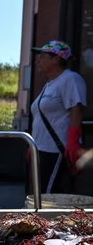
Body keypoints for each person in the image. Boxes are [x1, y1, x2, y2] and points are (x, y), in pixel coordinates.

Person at [27, 40, 87, 195]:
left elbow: (76, 109)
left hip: (56, 152)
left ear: (56, 59)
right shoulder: (49, 84)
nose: (37, 59)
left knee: (48, 197)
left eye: (43, 56)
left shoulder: (70, 79)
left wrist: (73, 141)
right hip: (41, 150)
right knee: (36, 196)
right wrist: (33, 143)